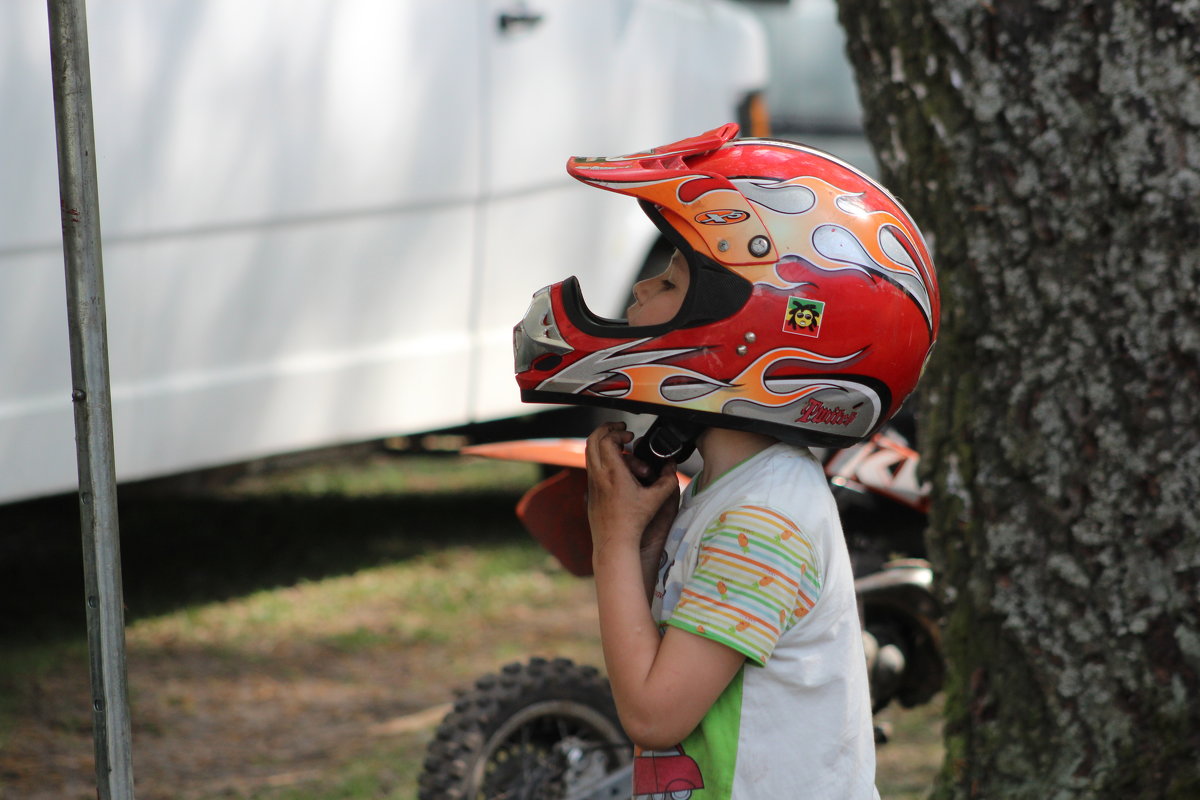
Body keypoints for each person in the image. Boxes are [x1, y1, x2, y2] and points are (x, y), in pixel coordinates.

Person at [513, 124, 940, 799]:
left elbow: (655, 715)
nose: (645, 289)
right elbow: (670, 659)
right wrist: (649, 541)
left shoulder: (765, 519)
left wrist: (615, 541)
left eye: (674, 277)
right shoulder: (740, 492)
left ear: (751, 326)